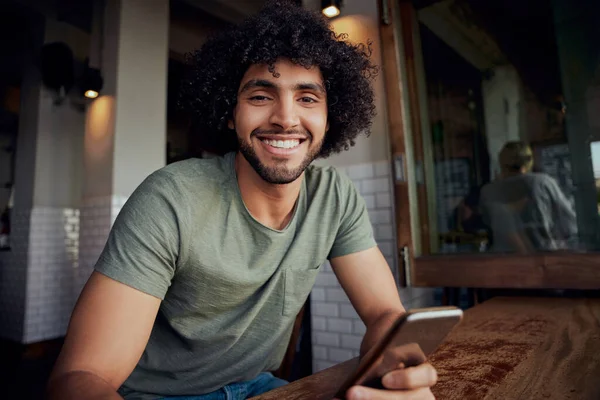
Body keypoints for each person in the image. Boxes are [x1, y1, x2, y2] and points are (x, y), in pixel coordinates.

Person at [47, 2, 438, 400]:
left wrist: (389, 367)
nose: (285, 118)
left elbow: (385, 314)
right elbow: (80, 376)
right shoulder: (169, 199)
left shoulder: (334, 196)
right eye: (260, 96)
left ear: (330, 115)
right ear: (231, 113)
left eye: (307, 98)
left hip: (259, 388)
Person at [479, 141, 577, 252]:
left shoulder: (488, 191)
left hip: (504, 259)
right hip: (545, 254)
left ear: (501, 162)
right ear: (529, 161)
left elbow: (485, 227)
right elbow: (569, 224)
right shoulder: (543, 182)